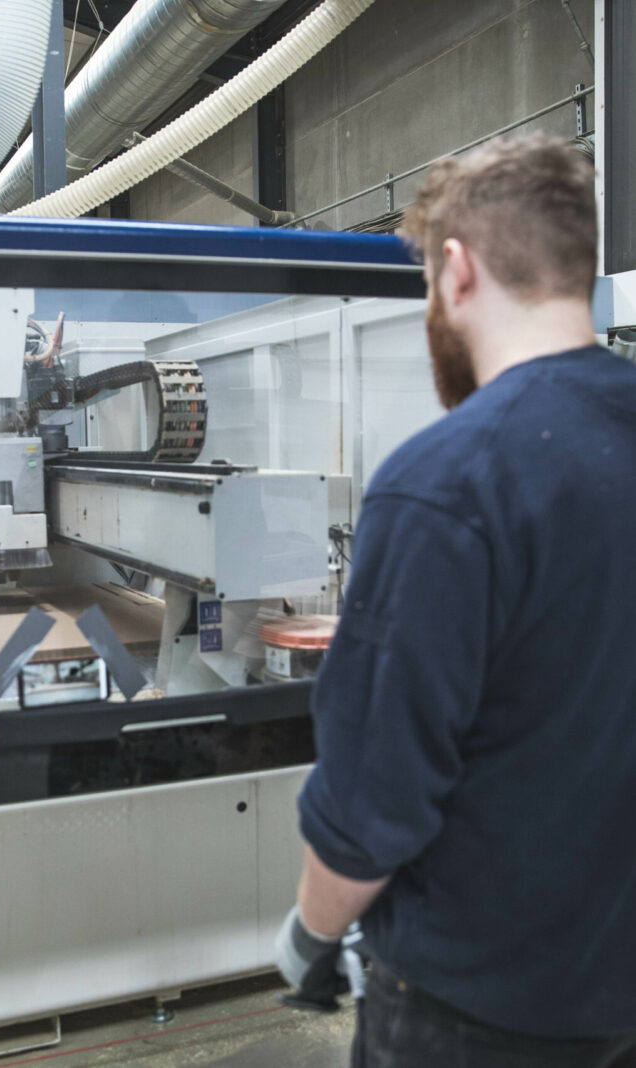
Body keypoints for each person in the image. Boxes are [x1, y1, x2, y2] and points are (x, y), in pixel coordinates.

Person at [275, 132, 636, 1067]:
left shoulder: (448, 482)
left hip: (479, 1007)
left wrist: (311, 937)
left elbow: (372, 805)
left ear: (457, 271)